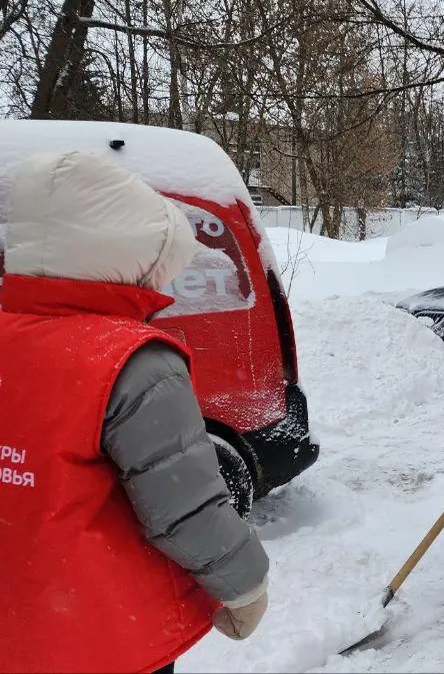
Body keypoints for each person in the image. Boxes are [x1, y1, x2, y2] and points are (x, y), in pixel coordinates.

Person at [0, 151, 270, 674]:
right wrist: (246, 583)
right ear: (130, 260)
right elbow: (184, 506)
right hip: (93, 629)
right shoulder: (130, 361)